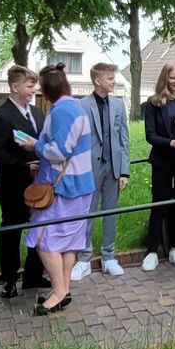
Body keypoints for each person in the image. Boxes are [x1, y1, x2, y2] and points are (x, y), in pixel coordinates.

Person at [26, 65, 93, 314]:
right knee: (69, 242)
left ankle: (60, 291)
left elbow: (58, 151)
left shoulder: (63, 110)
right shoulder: (74, 106)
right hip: (80, 185)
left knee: (44, 239)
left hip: (65, 188)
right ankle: (62, 290)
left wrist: (35, 145)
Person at [0, 65, 48, 299]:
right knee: (12, 231)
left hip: (39, 184)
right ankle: (9, 279)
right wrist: (22, 166)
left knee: (38, 227)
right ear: (15, 87)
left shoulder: (38, 113)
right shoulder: (1, 116)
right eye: (30, 86)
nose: (34, 90)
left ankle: (33, 274)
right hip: (13, 185)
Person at [74, 62, 130, 280]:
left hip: (113, 169)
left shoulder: (118, 105)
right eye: (110, 78)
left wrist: (124, 171)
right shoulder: (81, 105)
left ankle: (109, 257)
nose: (114, 81)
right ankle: (84, 258)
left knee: (110, 213)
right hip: (89, 169)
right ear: (98, 81)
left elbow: (124, 139)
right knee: (87, 214)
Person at [140, 63, 175, 271]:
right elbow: (150, 135)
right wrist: (169, 142)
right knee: (159, 204)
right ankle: (152, 251)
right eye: (173, 78)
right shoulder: (153, 104)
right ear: (165, 78)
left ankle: (174, 248)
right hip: (163, 159)